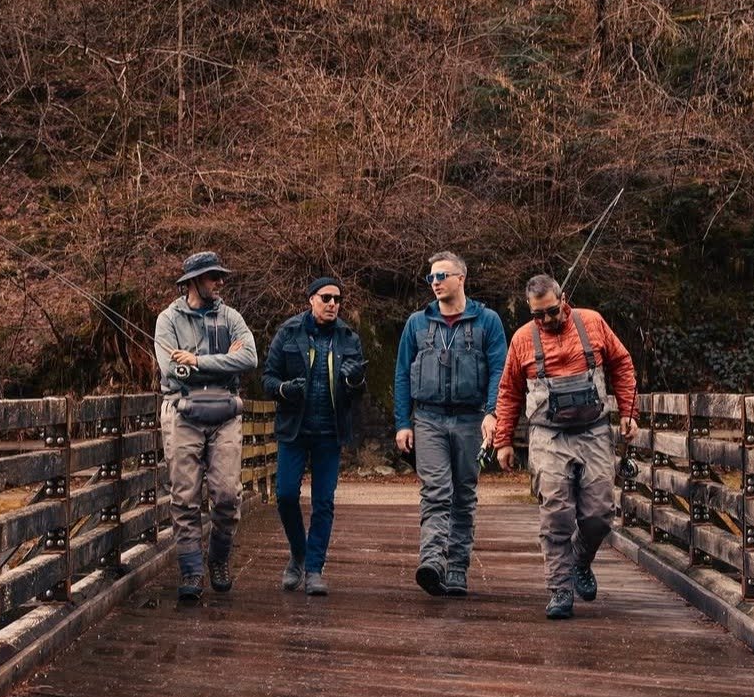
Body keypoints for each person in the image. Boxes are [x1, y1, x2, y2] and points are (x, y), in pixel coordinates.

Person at [493, 274, 638, 620]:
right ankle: (559, 589)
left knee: (600, 513)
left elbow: (621, 363)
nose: (546, 320)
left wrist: (629, 412)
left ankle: (580, 560)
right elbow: (509, 390)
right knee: (556, 512)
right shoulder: (522, 340)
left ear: (564, 299)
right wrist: (504, 440)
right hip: (548, 435)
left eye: (552, 312)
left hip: (594, 430)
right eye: (538, 315)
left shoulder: (592, 322)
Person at [394, 251, 508, 596]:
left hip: (471, 419)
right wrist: (403, 422)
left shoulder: (488, 322)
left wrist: (492, 412)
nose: (436, 283)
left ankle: (457, 567)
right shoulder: (416, 323)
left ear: (462, 277)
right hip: (427, 418)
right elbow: (401, 374)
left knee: (464, 494)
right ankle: (432, 561)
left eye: (442, 275)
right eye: (431, 277)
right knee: (435, 491)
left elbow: (499, 371)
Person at [154, 251, 257, 601]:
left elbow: (249, 358)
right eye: (213, 276)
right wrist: (225, 361)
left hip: (226, 412)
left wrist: (197, 360)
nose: (220, 282)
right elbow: (171, 370)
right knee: (184, 496)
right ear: (194, 281)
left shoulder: (232, 317)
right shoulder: (167, 320)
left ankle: (218, 559)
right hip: (182, 412)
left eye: (219, 276)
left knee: (228, 494)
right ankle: (192, 571)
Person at [262, 277, 368, 596]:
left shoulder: (349, 338)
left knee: (323, 502)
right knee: (284, 495)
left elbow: (358, 390)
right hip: (294, 430)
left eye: (338, 298)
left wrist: (354, 382)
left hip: (330, 432)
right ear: (311, 300)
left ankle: (313, 570)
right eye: (326, 298)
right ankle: (299, 551)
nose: (333, 303)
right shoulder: (289, 332)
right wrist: (284, 390)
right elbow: (267, 378)